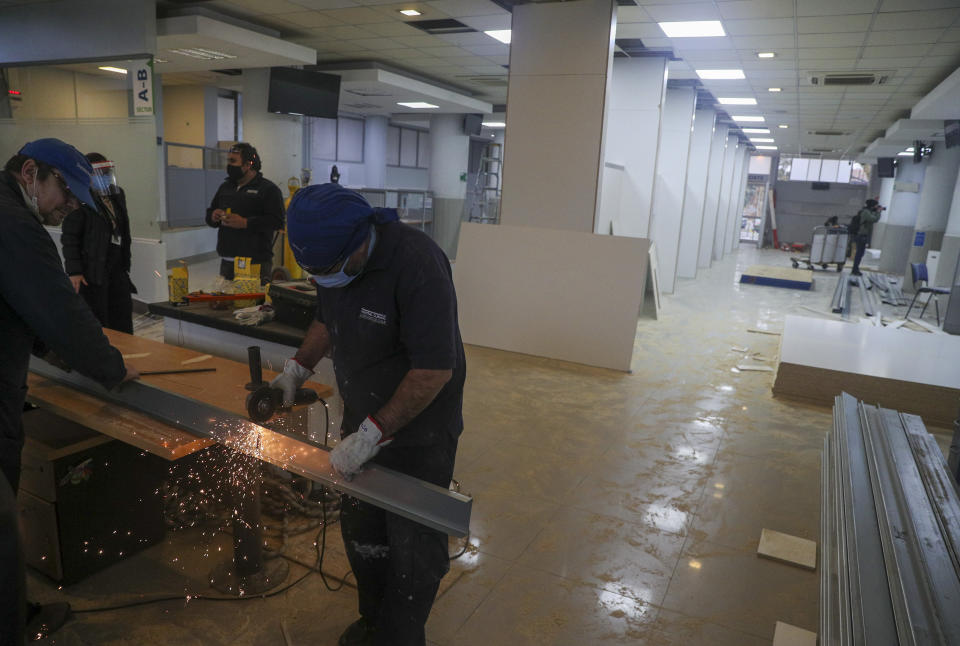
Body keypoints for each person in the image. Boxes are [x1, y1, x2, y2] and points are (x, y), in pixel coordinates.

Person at [271, 183, 465, 646]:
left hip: (419, 434)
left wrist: (373, 434)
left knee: (414, 550)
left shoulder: (419, 265)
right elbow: (326, 318)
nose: (326, 278)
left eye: (332, 269)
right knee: (363, 536)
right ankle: (375, 621)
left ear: (361, 239)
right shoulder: (333, 259)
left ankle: (401, 636)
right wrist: (297, 369)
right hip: (361, 422)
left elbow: (435, 370)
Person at [0, 138, 139, 642]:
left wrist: (49, 350)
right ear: (31, 172)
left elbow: (20, 302)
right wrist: (110, 367)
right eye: (65, 191)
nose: (72, 205)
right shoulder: (17, 227)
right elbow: (59, 309)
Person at [61, 152, 134, 333]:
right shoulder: (79, 199)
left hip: (117, 263)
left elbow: (124, 229)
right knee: (99, 315)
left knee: (122, 309)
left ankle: (126, 349)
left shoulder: (117, 195)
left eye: (107, 172)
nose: (105, 177)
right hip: (93, 268)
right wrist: (74, 271)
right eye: (100, 173)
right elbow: (70, 238)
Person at [205, 143, 284, 283]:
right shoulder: (225, 187)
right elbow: (210, 212)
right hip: (227, 261)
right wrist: (213, 216)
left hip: (255, 262)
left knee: (252, 304)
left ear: (248, 165)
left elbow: (276, 221)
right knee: (226, 303)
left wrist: (246, 223)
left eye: (233, 161)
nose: (228, 165)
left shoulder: (268, 190)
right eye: (228, 160)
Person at [851, 198, 882, 276]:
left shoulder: (867, 211)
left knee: (860, 253)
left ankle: (855, 268)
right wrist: (878, 212)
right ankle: (855, 269)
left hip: (863, 235)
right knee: (859, 253)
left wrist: (875, 211)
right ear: (872, 206)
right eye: (876, 206)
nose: (876, 207)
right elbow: (874, 219)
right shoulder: (866, 212)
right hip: (861, 235)